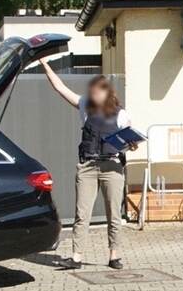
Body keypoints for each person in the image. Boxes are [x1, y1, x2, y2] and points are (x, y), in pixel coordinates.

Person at [41, 59, 134, 270]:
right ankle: (76, 257)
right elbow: (60, 88)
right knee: (82, 214)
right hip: (88, 167)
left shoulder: (121, 114)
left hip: (112, 167)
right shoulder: (84, 105)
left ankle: (114, 256)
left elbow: (129, 140)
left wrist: (132, 145)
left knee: (114, 214)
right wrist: (45, 65)